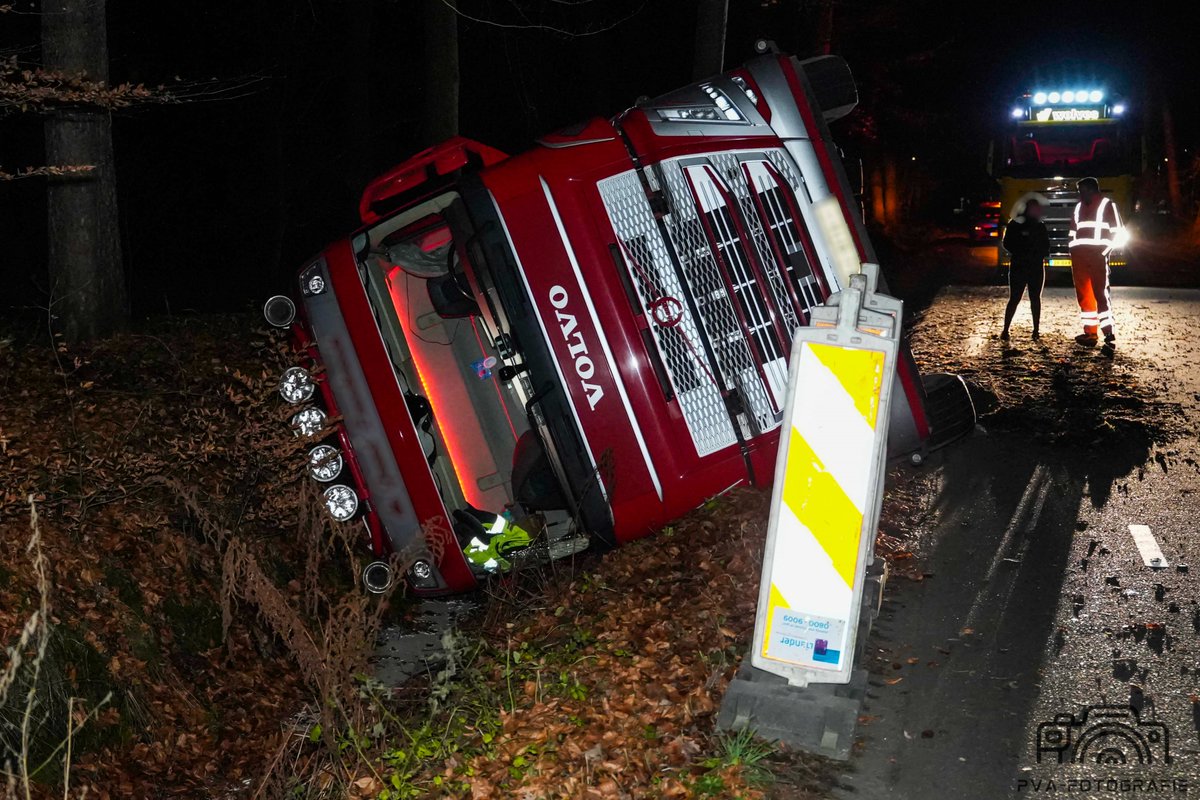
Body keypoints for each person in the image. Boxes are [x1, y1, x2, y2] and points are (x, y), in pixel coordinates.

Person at [1068, 177, 1124, 347]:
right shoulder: (1078, 207)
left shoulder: (1107, 205)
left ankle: (1108, 333)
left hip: (1096, 257)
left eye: (1083, 191)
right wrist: (1072, 252)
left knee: (1100, 294)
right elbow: (1072, 232)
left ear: (1092, 190)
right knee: (1084, 296)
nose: (1080, 195)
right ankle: (1090, 333)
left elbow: (1118, 233)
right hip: (1079, 259)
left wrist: (1103, 253)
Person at [1000, 194, 1050, 340]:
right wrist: (1037, 252)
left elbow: (1007, 243)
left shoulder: (1015, 224)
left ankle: (1007, 330)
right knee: (1031, 298)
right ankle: (1034, 331)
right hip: (1031, 265)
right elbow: (1045, 246)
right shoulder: (1038, 226)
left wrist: (1020, 250)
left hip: (1021, 264)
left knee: (1018, 298)